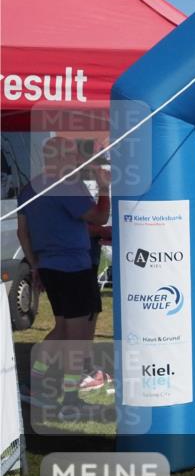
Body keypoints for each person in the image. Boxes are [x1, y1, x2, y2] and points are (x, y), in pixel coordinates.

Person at [16, 137, 110, 414]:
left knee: (61, 331)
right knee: (75, 338)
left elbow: (23, 232)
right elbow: (100, 217)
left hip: (50, 266)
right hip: (74, 268)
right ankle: (69, 396)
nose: (76, 161)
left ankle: (35, 382)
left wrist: (35, 265)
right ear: (58, 157)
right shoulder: (67, 185)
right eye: (71, 155)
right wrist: (104, 186)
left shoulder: (29, 187)